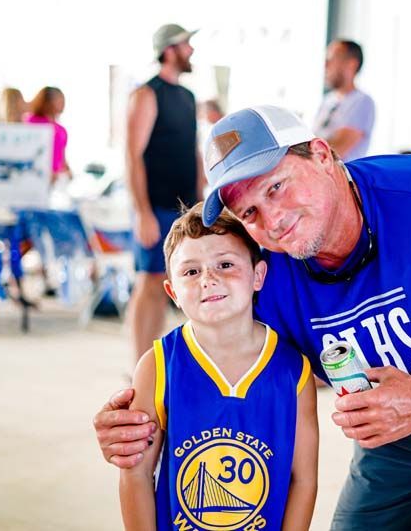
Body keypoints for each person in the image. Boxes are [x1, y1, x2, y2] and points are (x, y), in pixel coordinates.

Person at [95, 106, 411, 529]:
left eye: (276, 187)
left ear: (323, 154)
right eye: (249, 213)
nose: (273, 221)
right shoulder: (266, 267)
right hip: (402, 430)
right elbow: (210, 354)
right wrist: (137, 421)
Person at [119, 202, 318, 531]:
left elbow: (304, 480)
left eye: (225, 264)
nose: (208, 280)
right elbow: (136, 474)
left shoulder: (293, 371)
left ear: (258, 276)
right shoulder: (157, 364)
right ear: (172, 292)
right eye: (191, 272)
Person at [125, 24, 205, 362]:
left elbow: (194, 150)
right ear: (169, 50)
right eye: (186, 45)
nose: (191, 51)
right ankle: (139, 366)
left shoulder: (187, 97)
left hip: (186, 205)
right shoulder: (146, 94)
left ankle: (159, 362)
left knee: (177, 282)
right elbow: (133, 154)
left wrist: (202, 200)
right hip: (155, 204)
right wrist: (142, 211)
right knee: (151, 281)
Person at [313, 40, 375, 162]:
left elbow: (335, 151)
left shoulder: (362, 102)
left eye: (332, 58)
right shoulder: (327, 101)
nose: (326, 65)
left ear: (352, 64)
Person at [24, 86, 70, 182]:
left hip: (56, 180)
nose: (63, 103)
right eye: (59, 99)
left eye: (63, 99)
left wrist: (68, 173)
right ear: (47, 102)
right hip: (35, 177)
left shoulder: (61, 130)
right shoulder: (30, 122)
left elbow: (62, 158)